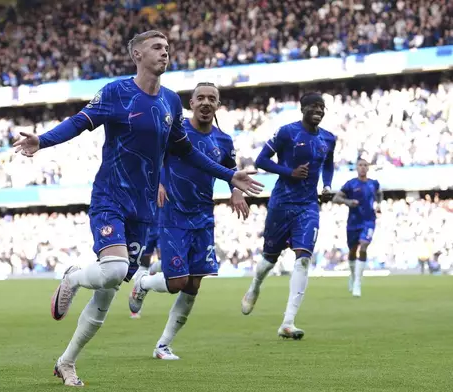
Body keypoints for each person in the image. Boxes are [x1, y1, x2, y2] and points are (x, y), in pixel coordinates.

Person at [13, 30, 263, 387]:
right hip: (111, 197)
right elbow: (80, 122)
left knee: (108, 294)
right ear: (136, 54)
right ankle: (72, 276)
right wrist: (43, 140)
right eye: (157, 48)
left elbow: (186, 150)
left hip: (144, 210)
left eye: (167, 48)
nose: (165, 53)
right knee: (114, 270)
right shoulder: (117, 92)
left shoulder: (171, 102)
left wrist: (229, 175)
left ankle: (67, 362)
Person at [127, 82, 250, 360]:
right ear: (191, 103)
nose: (206, 103)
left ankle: (163, 345)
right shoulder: (176, 132)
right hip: (173, 214)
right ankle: (144, 283)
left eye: (212, 99)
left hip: (204, 217)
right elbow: (152, 157)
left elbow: (230, 171)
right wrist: (158, 182)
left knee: (194, 285)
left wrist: (236, 191)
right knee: (178, 283)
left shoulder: (224, 141)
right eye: (201, 98)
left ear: (218, 105)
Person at [240, 92, 335, 340]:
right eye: (314, 106)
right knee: (269, 260)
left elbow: (328, 164)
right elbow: (261, 160)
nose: (319, 110)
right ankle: (255, 286)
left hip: (308, 206)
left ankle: (288, 322)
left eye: (322, 107)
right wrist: (289, 172)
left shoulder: (328, 138)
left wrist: (326, 186)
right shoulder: (286, 132)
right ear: (302, 109)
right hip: (281, 203)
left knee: (304, 258)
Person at [333, 158, 382, 297]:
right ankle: (353, 276)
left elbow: (379, 193)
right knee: (353, 250)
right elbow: (336, 198)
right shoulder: (351, 184)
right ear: (356, 167)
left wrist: (378, 204)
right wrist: (348, 201)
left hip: (369, 221)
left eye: (365, 165)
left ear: (368, 168)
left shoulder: (374, 183)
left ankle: (357, 283)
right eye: (360, 165)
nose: (362, 167)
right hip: (353, 222)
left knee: (364, 245)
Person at [130, 221, 161, 319]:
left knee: (165, 261)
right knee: (144, 262)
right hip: (148, 225)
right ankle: (137, 303)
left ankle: (149, 274)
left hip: (164, 224)